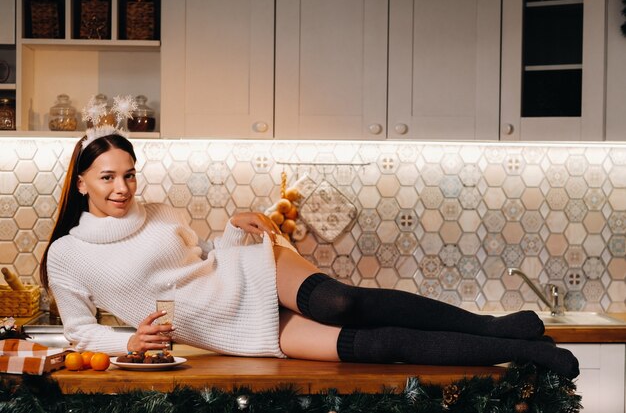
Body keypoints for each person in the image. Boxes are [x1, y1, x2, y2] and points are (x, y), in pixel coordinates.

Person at [39, 132, 579, 379]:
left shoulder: (159, 211)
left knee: (342, 301)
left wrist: (231, 230)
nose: (122, 187)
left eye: (129, 174)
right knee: (377, 346)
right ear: (82, 181)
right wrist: (127, 340)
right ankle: (526, 355)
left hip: (247, 273)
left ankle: (495, 330)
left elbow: (201, 258)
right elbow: (80, 333)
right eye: (107, 177)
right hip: (235, 330)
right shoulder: (68, 255)